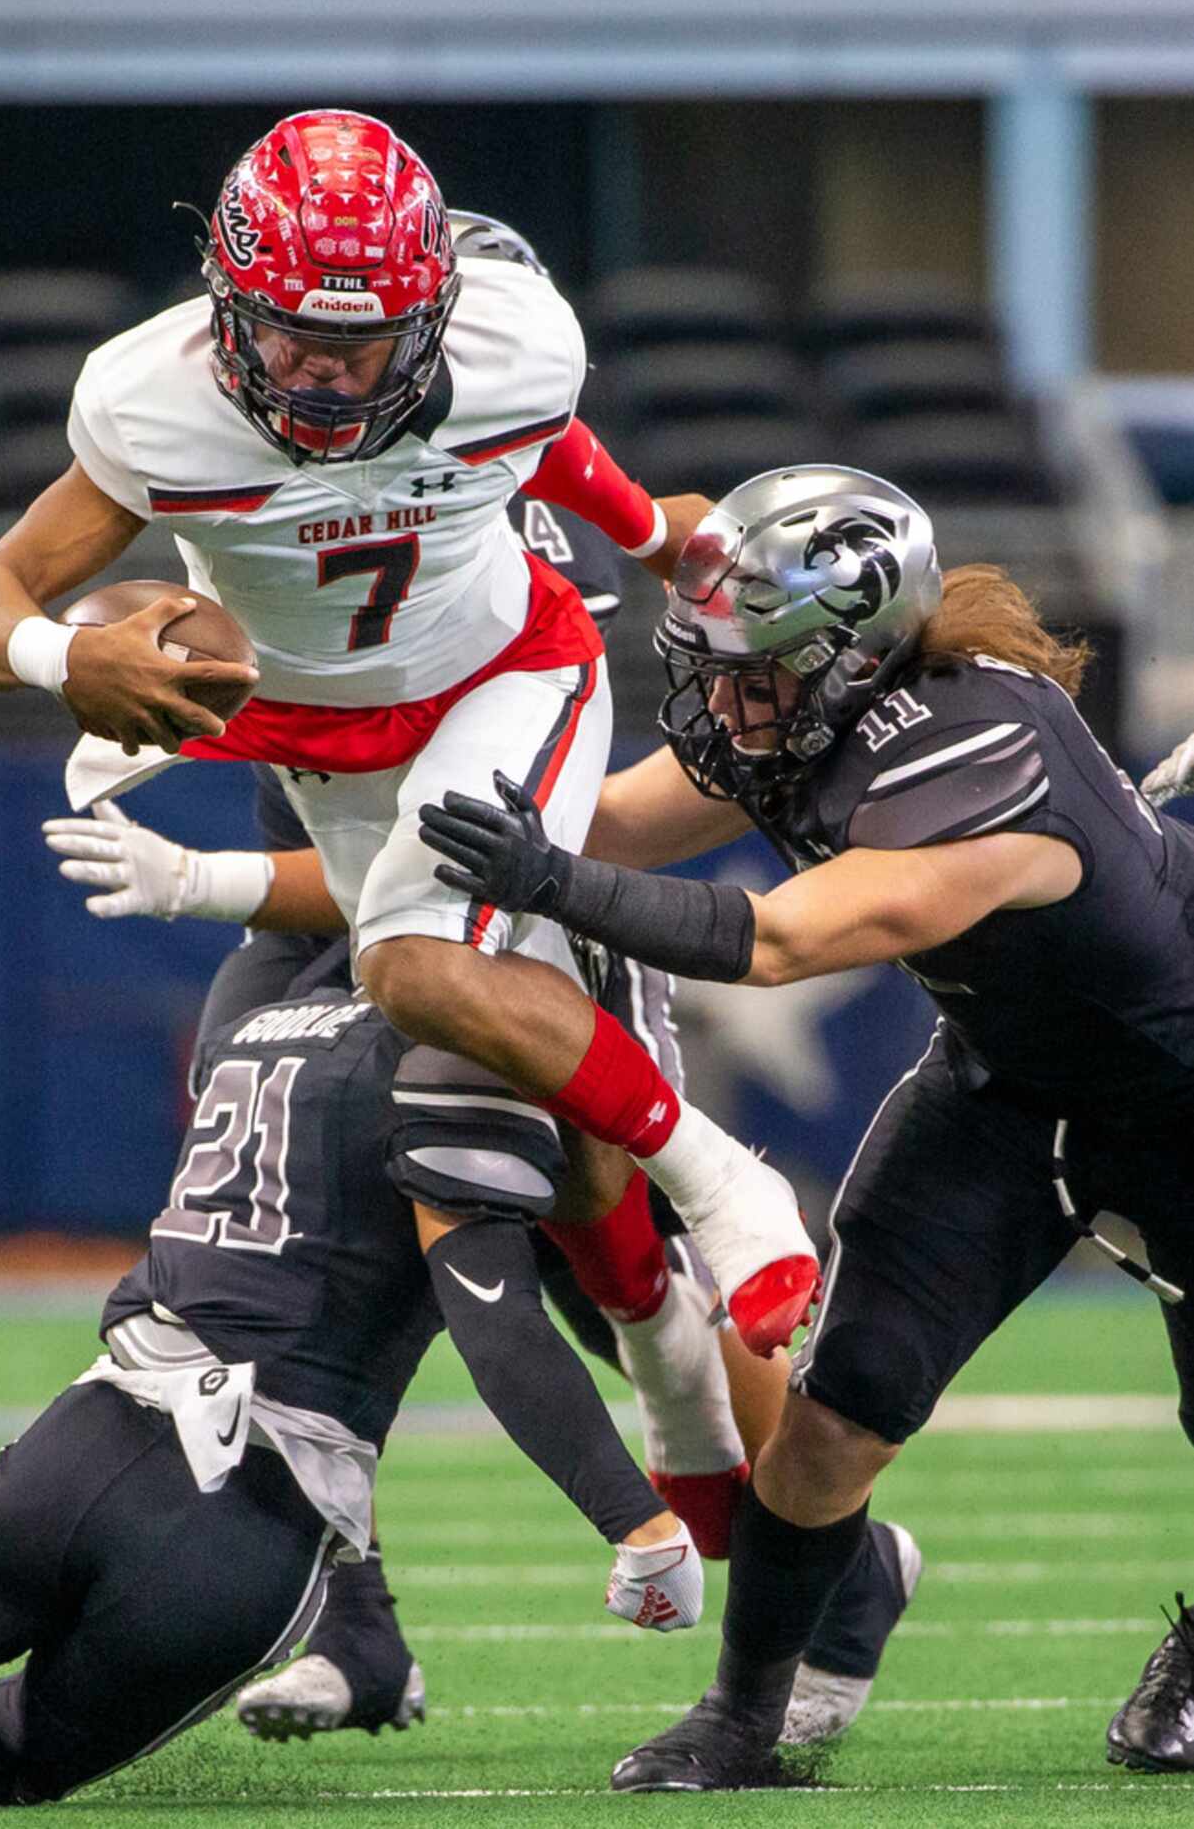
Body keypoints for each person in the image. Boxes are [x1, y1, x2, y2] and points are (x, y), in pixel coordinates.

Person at [0, 106, 817, 1369]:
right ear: (226, 311)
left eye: (362, 349)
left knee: (411, 966)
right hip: (315, 732)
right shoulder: (154, 403)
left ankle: (725, 1187)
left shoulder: (516, 351)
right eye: (291, 342)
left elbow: (540, 447)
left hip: (510, 671)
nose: (324, 380)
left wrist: (653, 539)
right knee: (475, 1023)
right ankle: (672, 1384)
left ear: (437, 315)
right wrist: (65, 653)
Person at [418, 461, 1194, 1788]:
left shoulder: (980, 753)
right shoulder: (799, 708)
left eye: (753, 672)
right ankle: (743, 1716)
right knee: (834, 1420)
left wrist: (551, 880)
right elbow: (605, 818)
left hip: (1178, 1100)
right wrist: (415, 779)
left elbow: (774, 941)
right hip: (1004, 1090)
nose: (723, 702)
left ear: (855, 658)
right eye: (710, 665)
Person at [0, 941, 711, 1808]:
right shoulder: (452, 1058)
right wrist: (638, 1521)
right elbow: (498, 1325)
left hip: (81, 1451)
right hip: (242, 1534)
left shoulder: (264, 1011)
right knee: (2, 1751)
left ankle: (364, 1646)